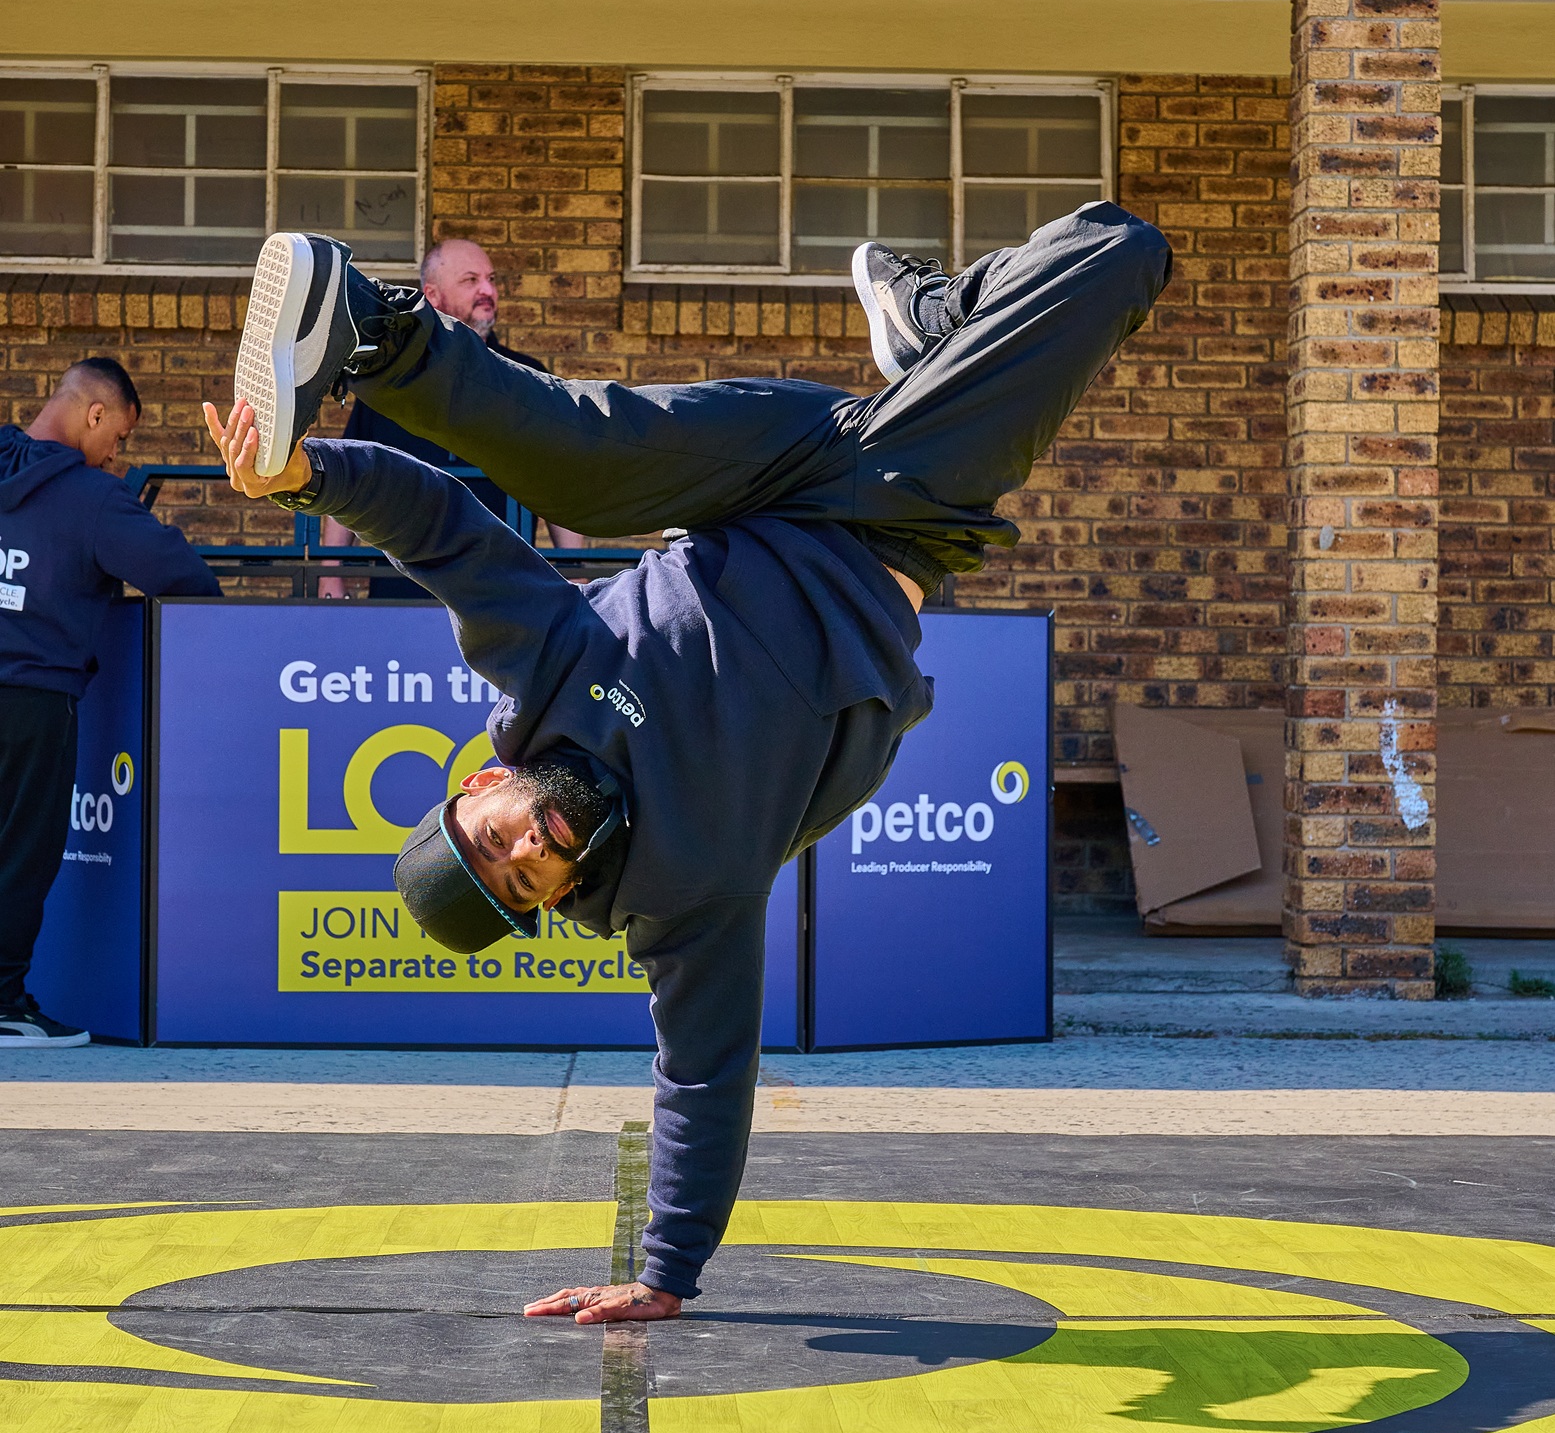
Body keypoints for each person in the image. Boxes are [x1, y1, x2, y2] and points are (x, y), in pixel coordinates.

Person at [209, 202, 1170, 1316]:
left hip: (764, 477)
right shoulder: (682, 895)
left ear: (484, 785)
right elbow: (703, 1074)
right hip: (895, 506)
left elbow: (438, 527)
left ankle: (371, 328)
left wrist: (304, 478)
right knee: (1120, 252)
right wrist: (664, 1271)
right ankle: (940, 321)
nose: (527, 849)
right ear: (553, 899)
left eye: (495, 838)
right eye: (524, 881)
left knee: (579, 468)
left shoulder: (544, 670)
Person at [0, 358, 221, 1047]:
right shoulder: (93, 498)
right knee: (20, 855)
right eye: (119, 438)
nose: (116, 455)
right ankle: (3, 1005)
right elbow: (188, 582)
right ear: (94, 414)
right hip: (33, 700)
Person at [318, 237, 583, 598]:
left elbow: (556, 478)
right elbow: (352, 472)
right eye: (471, 280)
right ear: (433, 295)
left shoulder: (528, 378)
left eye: (491, 279)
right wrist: (330, 572)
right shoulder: (391, 378)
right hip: (403, 593)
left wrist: (575, 571)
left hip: (505, 595)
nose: (488, 290)